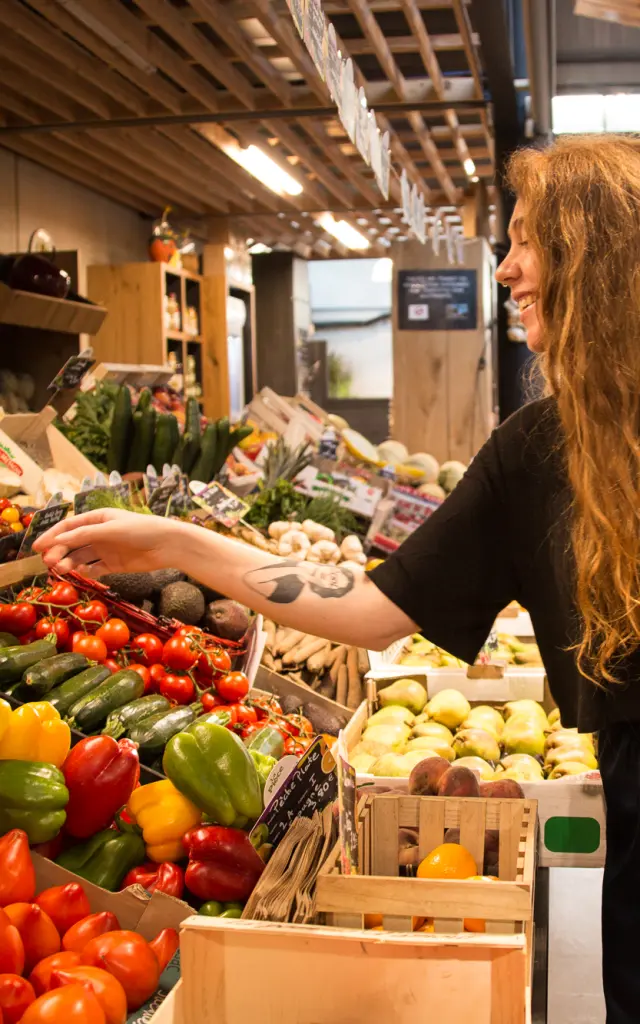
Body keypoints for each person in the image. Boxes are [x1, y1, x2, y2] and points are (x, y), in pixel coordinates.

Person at [35, 134, 640, 1024]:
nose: (506, 270)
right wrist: (180, 542)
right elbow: (367, 607)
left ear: (599, 252)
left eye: (527, 240)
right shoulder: (538, 451)